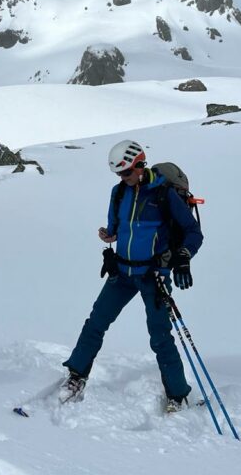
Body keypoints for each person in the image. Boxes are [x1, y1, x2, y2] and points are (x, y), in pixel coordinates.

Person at [62, 140, 203, 412]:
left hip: (154, 277)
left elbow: (193, 232)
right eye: (119, 174)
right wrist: (109, 235)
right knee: (96, 322)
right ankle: (76, 375)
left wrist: (183, 256)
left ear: (140, 165)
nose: (122, 178)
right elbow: (116, 228)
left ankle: (177, 394)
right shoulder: (118, 194)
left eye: (126, 173)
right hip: (122, 272)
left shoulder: (163, 194)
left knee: (160, 336)